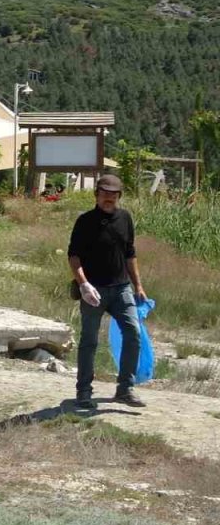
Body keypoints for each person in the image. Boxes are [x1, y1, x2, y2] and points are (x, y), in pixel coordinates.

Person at [68, 174, 148, 409]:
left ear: (119, 196)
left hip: (122, 288)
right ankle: (84, 391)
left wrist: (138, 286)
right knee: (89, 340)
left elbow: (130, 254)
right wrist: (83, 284)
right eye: (104, 194)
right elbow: (74, 256)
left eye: (113, 195)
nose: (108, 198)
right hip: (93, 290)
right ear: (96, 195)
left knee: (133, 334)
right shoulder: (85, 221)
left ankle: (125, 390)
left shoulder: (125, 218)